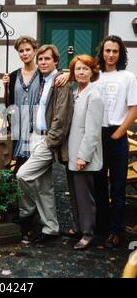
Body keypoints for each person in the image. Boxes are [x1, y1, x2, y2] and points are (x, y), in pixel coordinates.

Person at [16, 45, 73, 244]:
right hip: (35, 136)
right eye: (40, 59)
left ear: (56, 61)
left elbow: (61, 116)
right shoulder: (43, 79)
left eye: (47, 59)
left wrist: (50, 142)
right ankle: (51, 228)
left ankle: (27, 213)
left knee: (22, 175)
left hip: (47, 139)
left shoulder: (61, 83)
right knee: (44, 185)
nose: (43, 62)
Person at [3, 36, 70, 175]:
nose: (25, 53)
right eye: (21, 51)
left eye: (28, 50)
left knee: (27, 168)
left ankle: (17, 191)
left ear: (35, 51)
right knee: (17, 163)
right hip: (18, 125)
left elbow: (55, 76)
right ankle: (20, 192)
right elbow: (8, 103)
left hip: (36, 128)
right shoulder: (13, 75)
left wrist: (68, 75)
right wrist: (6, 87)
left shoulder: (43, 74)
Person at [95, 35, 137, 248]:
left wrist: (119, 133)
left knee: (118, 187)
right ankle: (101, 227)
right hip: (97, 135)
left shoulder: (127, 77)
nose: (110, 55)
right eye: (107, 51)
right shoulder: (96, 75)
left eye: (115, 51)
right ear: (102, 52)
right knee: (99, 184)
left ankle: (116, 230)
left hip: (116, 135)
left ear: (120, 54)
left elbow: (134, 109)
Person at [66, 55, 104, 250]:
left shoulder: (94, 95)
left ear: (92, 72)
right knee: (74, 194)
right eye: (77, 69)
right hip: (72, 153)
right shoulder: (75, 92)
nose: (81, 72)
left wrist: (84, 156)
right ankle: (77, 227)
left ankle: (88, 233)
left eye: (85, 69)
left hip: (83, 155)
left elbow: (92, 131)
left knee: (84, 196)